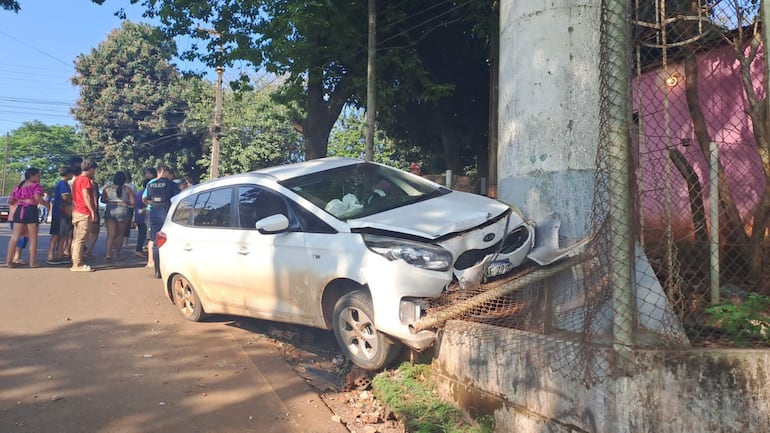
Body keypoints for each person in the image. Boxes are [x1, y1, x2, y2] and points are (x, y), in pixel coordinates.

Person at [5, 168, 49, 268]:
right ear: (31, 176)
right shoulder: (36, 186)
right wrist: (46, 204)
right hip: (30, 210)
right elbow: (37, 198)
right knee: (33, 237)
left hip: (19, 210)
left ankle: (8, 261)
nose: (39, 177)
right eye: (38, 175)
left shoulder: (18, 186)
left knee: (15, 237)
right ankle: (32, 262)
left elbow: (11, 200)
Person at [143, 164, 179, 278]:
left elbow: (146, 198)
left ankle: (157, 270)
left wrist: (151, 203)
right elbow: (177, 199)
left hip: (154, 212)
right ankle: (169, 268)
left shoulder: (151, 184)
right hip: (167, 212)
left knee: (155, 241)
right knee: (169, 240)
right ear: (164, 172)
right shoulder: (171, 184)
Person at [101, 171, 136, 261]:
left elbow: (103, 200)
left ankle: (108, 254)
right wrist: (123, 202)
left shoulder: (107, 188)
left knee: (110, 235)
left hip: (110, 210)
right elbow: (133, 202)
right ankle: (118, 254)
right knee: (120, 234)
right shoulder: (127, 189)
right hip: (123, 210)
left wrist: (112, 201)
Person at [70, 159, 98, 272]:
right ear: (91, 169)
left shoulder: (76, 180)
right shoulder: (86, 180)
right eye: (94, 170)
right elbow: (86, 196)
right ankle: (77, 264)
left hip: (76, 211)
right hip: (84, 212)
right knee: (81, 239)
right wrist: (92, 211)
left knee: (76, 238)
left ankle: (75, 261)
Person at [47, 166, 75, 265]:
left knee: (63, 234)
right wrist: (73, 199)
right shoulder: (63, 183)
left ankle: (59, 255)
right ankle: (51, 255)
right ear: (68, 174)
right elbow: (65, 196)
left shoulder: (63, 183)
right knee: (56, 234)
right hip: (61, 212)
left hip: (62, 212)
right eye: (71, 174)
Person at [133, 177, 150, 257]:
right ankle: (139, 249)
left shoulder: (139, 192)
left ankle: (140, 248)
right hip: (144, 215)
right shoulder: (147, 193)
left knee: (141, 232)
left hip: (138, 214)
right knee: (143, 233)